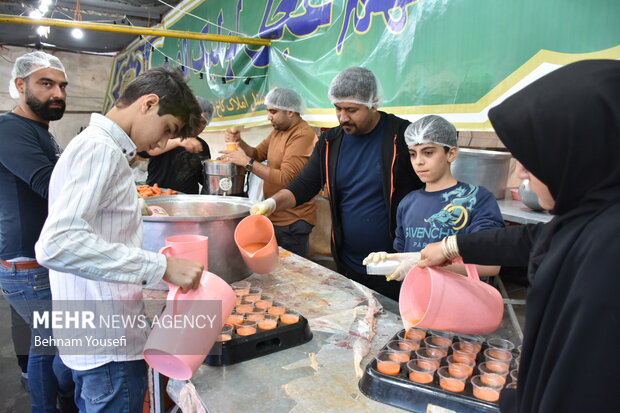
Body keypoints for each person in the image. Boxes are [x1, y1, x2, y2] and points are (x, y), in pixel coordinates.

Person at [417, 60, 620, 412]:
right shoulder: (589, 218)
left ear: (575, 151)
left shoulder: (607, 257)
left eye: (532, 156)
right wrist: (452, 244)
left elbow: (585, 386)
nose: (522, 171)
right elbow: (530, 240)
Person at [35, 66, 205, 412]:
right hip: (107, 345)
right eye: (167, 129)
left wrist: (132, 208)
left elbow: (90, 222)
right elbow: (58, 243)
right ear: (148, 103)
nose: (160, 143)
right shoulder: (101, 150)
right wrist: (162, 266)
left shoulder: (94, 145)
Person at [251, 67, 422, 299]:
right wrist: (272, 203)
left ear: (373, 103)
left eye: (351, 110)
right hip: (348, 262)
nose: (343, 118)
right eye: (338, 109)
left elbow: (427, 189)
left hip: (395, 266)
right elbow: (304, 185)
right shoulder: (331, 142)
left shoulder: (401, 136)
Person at [0, 51, 76, 413]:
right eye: (46, 84)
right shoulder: (10, 130)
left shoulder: (40, 131)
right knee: (50, 348)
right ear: (20, 85)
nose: (57, 93)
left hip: (42, 257)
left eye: (61, 85)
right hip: (27, 263)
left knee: (47, 344)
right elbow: (52, 187)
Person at [364, 115, 504, 281]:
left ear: (451, 154)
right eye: (412, 154)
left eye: (428, 152)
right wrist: (389, 261)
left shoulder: (476, 199)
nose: (419, 162)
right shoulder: (408, 203)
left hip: (459, 302)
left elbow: (491, 265)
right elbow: (403, 254)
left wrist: (421, 263)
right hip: (415, 300)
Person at [221, 87, 317, 257]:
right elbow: (257, 154)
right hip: (275, 215)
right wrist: (239, 142)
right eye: (268, 111)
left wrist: (246, 162)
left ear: (291, 112)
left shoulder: (302, 135)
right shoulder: (277, 131)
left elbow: (285, 179)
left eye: (273, 111)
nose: (268, 116)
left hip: (293, 221)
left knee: (290, 274)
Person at [139, 96, 214, 193]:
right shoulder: (167, 135)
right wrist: (179, 141)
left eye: (203, 122)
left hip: (187, 201)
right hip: (157, 195)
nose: (199, 125)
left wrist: (217, 169)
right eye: (197, 119)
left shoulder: (201, 145)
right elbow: (144, 152)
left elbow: (204, 179)